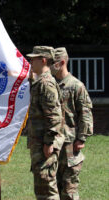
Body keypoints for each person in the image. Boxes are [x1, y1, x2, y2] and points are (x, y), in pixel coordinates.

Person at [51, 47, 93, 200]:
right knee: (52, 188)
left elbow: (85, 113)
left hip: (70, 146)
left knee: (69, 190)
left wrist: (81, 138)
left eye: (52, 62)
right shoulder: (50, 84)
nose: (49, 66)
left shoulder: (76, 86)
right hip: (53, 144)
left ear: (61, 63)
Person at [26, 46, 65, 200]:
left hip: (45, 144)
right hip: (40, 143)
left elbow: (54, 117)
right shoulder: (40, 82)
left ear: (43, 60)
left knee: (47, 189)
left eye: (33, 59)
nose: (30, 61)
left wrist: (49, 142)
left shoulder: (46, 84)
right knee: (42, 188)